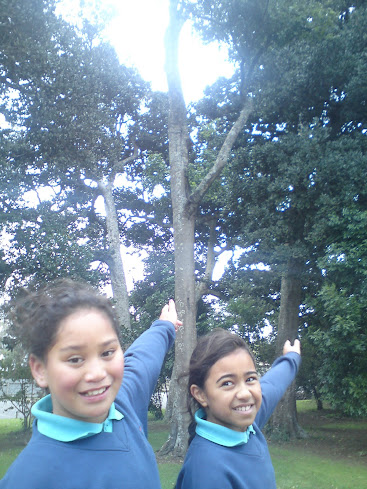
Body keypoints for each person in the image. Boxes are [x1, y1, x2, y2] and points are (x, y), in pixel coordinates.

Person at [0, 279, 182, 489]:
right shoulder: (29, 478)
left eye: (107, 352)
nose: (97, 374)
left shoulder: (123, 401)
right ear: (40, 369)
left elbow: (144, 355)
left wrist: (164, 326)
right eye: (75, 359)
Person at [175, 328, 301, 489]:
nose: (244, 393)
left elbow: (274, 383)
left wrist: (291, 357)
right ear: (200, 395)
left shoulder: (246, 424)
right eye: (227, 383)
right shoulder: (207, 471)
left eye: (250, 379)